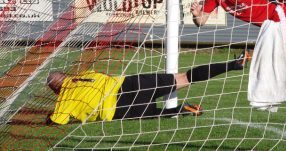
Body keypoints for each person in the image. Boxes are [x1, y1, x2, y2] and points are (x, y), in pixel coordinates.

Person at [46, 50, 250, 125]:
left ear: (56, 90)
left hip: (118, 109)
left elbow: (56, 121)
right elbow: (104, 76)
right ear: (67, 76)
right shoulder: (85, 76)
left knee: (155, 113)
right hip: (130, 84)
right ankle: (234, 65)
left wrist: (49, 118)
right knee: (184, 77)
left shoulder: (63, 100)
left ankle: (182, 109)